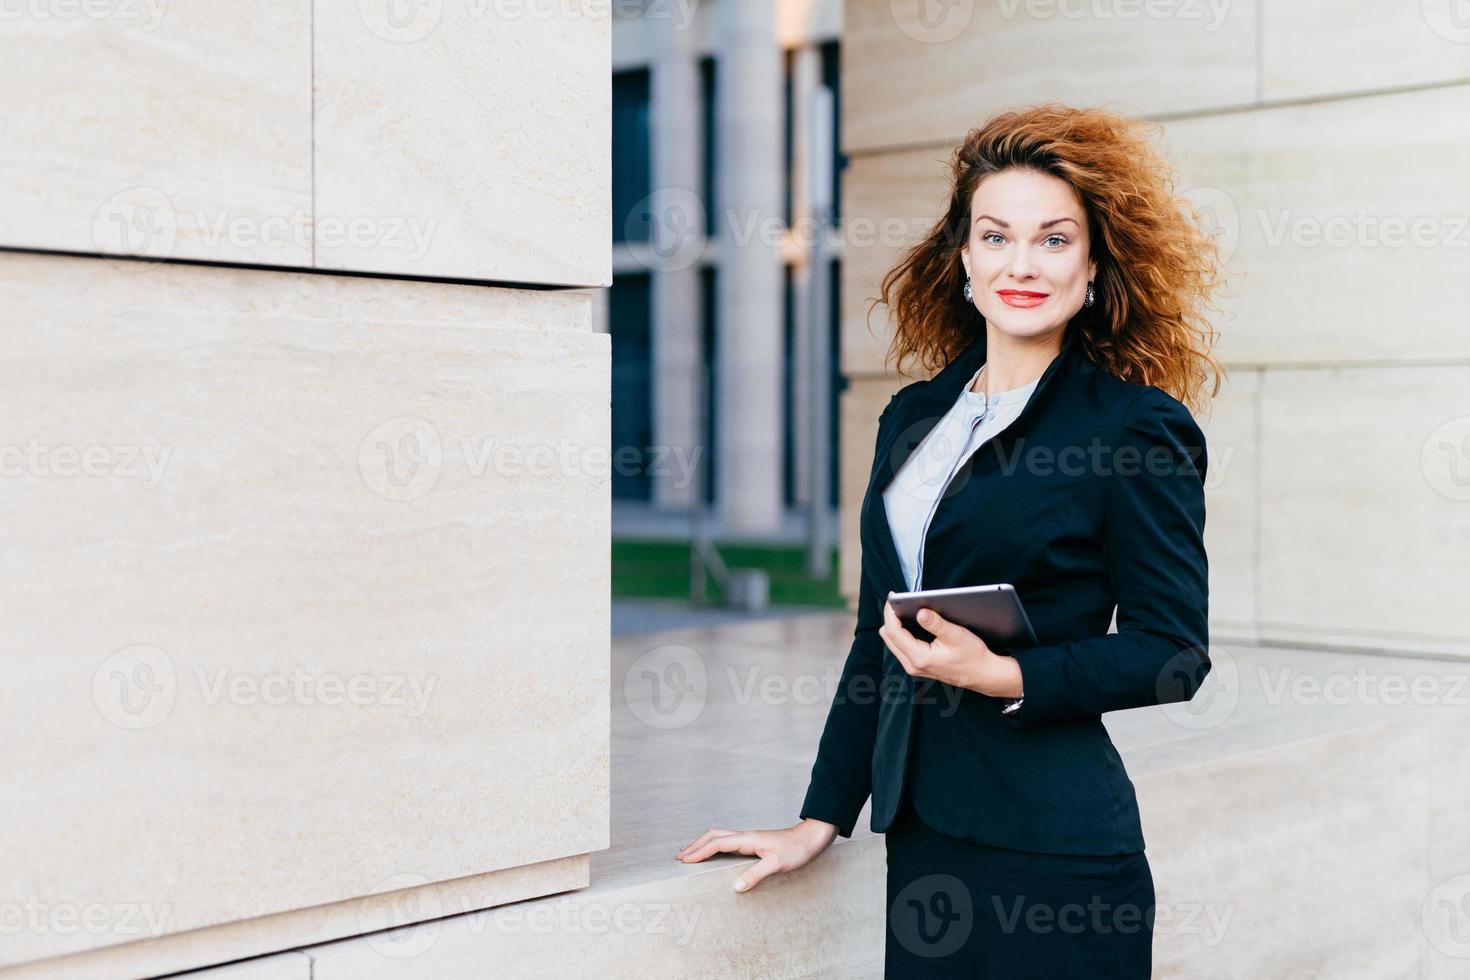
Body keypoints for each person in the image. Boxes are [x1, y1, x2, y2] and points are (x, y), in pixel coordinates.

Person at [677, 102, 1226, 977]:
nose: (1022, 264)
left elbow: (1173, 652)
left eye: (1054, 240)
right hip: (928, 843)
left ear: (1093, 266)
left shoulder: (1133, 428)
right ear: (964, 258)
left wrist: (1000, 674)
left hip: (1056, 856)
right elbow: (878, 638)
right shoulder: (914, 419)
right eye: (996, 236)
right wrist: (820, 817)